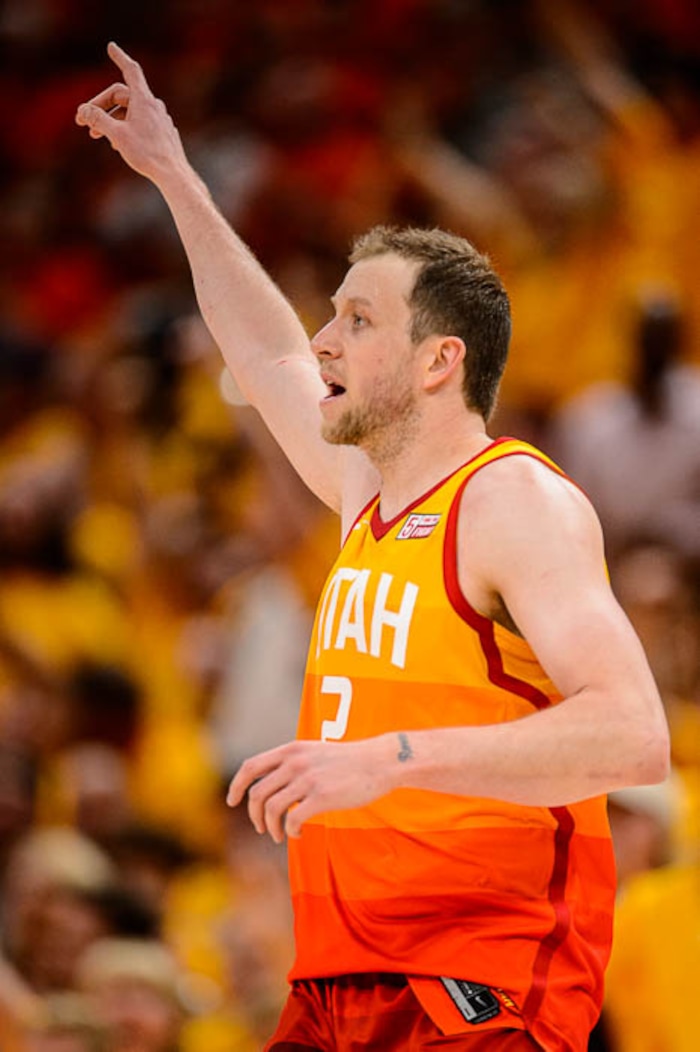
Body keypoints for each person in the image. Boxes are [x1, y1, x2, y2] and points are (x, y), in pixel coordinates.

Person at [75, 43, 670, 1052]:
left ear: (441, 361)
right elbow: (262, 347)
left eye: (357, 318)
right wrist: (175, 178)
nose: (324, 342)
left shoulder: (512, 497)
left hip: (476, 976)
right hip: (344, 971)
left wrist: (386, 761)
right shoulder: (370, 492)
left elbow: (630, 734)